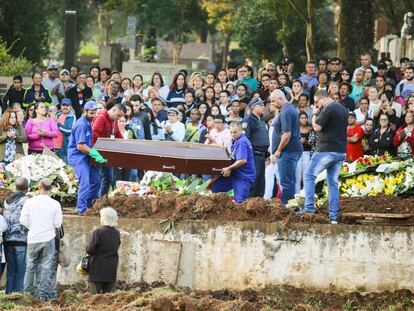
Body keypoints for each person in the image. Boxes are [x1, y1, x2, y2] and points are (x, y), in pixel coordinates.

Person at [301, 90, 348, 223]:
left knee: (309, 175)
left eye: (317, 101)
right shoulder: (342, 108)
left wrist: (315, 113)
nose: (317, 104)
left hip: (326, 150)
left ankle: (309, 209)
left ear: (322, 98)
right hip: (340, 151)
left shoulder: (329, 107)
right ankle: (333, 216)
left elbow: (316, 127)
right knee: (332, 183)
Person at [20, 178, 63, 301]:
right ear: (51, 189)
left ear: (39, 187)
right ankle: (42, 294)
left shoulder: (30, 202)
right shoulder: (55, 204)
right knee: (46, 266)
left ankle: (27, 293)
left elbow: (23, 220)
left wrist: (31, 227)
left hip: (33, 237)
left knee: (30, 265)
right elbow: (58, 223)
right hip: (48, 238)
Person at [68, 101, 105, 214]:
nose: (94, 115)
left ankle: (90, 204)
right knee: (85, 183)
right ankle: (81, 208)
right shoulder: (81, 125)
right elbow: (80, 146)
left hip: (85, 156)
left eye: (95, 113)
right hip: (78, 158)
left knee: (97, 181)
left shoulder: (89, 122)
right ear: (85, 111)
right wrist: (94, 154)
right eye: (91, 113)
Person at [270, 90, 302, 205]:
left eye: (273, 101)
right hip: (290, 150)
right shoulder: (285, 109)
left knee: (287, 182)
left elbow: (287, 134)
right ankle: (289, 206)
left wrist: (278, 150)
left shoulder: (286, 111)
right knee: (288, 181)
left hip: (288, 151)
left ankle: (286, 207)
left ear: (280, 98)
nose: (272, 103)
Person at [211, 122, 256, 203]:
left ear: (241, 131)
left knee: (240, 202)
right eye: (231, 132)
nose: (232, 134)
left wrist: (228, 168)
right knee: (216, 187)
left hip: (243, 176)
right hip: (235, 174)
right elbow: (233, 157)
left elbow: (242, 160)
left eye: (235, 132)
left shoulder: (242, 141)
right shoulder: (235, 140)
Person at [93, 103, 126, 197]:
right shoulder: (101, 118)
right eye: (118, 116)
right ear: (113, 110)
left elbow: (118, 135)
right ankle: (97, 200)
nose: (119, 119)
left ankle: (102, 199)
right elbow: (94, 134)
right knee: (99, 179)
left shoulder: (113, 120)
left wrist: (127, 144)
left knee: (109, 178)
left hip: (106, 153)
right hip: (98, 152)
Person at [3, 177, 29, 294]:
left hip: (7, 240)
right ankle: (18, 295)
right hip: (21, 241)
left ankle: (8, 293)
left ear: (16, 186)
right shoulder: (26, 201)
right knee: (21, 270)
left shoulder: (7, 201)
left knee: (11, 271)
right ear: (27, 188)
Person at [87, 207, 121, 294]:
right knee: (109, 299)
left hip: (97, 269)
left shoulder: (98, 232)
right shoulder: (116, 233)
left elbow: (90, 249)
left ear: (104, 218)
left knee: (94, 299)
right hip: (111, 269)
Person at [241, 98, 270, 198]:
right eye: (260, 105)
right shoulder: (248, 120)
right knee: (253, 182)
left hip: (262, 156)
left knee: (261, 183)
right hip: (253, 156)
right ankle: (248, 205)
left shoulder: (262, 120)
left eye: (263, 105)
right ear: (253, 107)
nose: (263, 107)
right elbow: (245, 140)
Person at [295, 112, 312, 194]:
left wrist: (305, 141)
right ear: (298, 119)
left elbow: (313, 143)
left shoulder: (310, 128)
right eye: (302, 118)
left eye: (305, 117)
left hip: (307, 153)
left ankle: (305, 195)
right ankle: (297, 196)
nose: (304, 119)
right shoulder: (295, 128)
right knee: (297, 177)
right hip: (298, 153)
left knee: (306, 175)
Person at [55, 98, 76, 163]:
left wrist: (58, 124)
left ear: (70, 107)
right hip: (54, 147)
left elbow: (69, 131)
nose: (65, 107)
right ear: (61, 106)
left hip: (64, 148)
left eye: (67, 105)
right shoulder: (57, 115)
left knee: (65, 168)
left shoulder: (72, 117)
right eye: (63, 105)